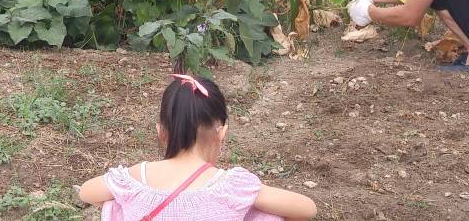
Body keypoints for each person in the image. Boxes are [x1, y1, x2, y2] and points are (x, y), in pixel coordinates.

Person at [79, 74, 317, 221]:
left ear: (160, 131)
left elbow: (86, 192)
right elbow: (306, 209)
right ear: (221, 133)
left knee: (114, 204)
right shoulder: (233, 189)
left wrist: (124, 202)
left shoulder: (133, 180)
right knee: (270, 214)